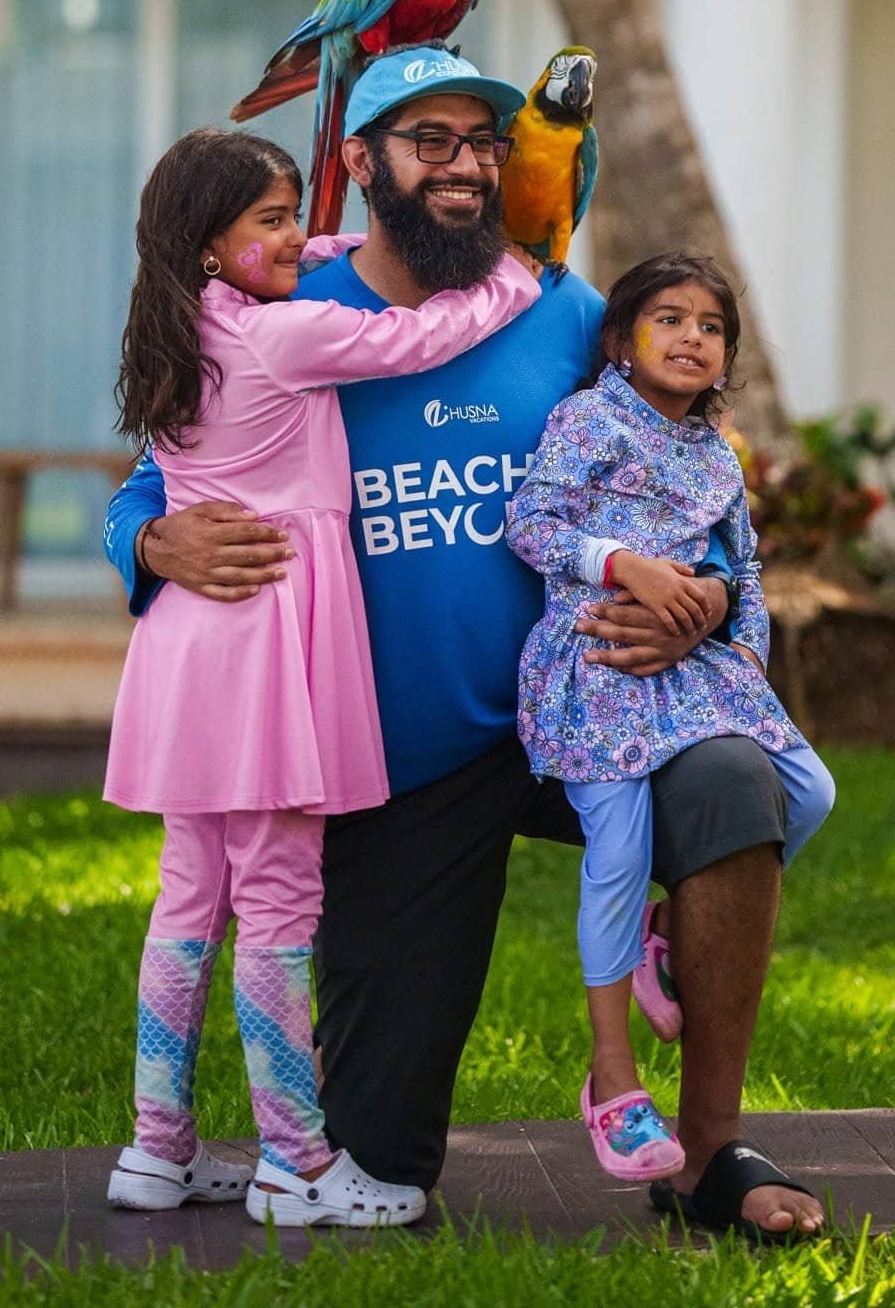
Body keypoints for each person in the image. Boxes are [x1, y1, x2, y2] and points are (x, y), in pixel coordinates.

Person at [104, 43, 828, 1241]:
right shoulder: (290, 305)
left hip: (592, 713)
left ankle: (703, 1152)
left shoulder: (569, 312)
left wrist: (700, 582)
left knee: (734, 783)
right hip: (397, 759)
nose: (464, 165)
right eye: (428, 139)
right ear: (357, 161)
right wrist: (151, 545)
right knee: (381, 1162)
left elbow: (689, 451)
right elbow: (155, 473)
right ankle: (320, 1139)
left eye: (484, 141)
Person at [104, 123, 540, 1230]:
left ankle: (157, 1147)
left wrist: (309, 238)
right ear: (210, 243)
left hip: (190, 647)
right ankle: (296, 1159)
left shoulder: (181, 330)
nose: (299, 236)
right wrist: (514, 272)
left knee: (189, 900)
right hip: (269, 645)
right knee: (282, 904)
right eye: (274, 219)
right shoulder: (284, 339)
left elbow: (272, 265)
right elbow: (424, 330)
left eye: (301, 211)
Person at [507, 252, 835, 1191]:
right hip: (601, 658)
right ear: (620, 341)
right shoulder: (589, 420)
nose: (692, 337)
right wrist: (625, 567)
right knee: (616, 845)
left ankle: (665, 935)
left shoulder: (711, 454)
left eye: (710, 326)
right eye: (668, 319)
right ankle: (613, 1075)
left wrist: (713, 608)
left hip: (692, 671)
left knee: (808, 792)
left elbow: (746, 573)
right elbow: (530, 523)